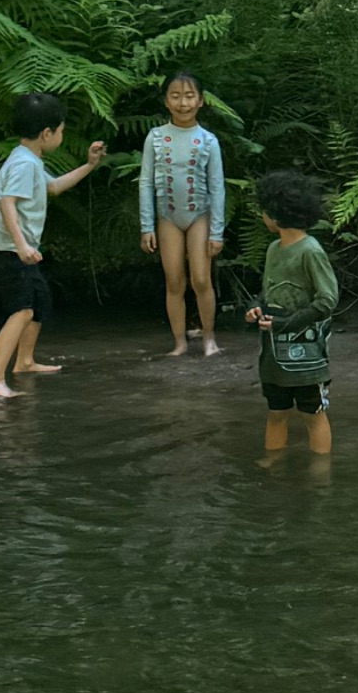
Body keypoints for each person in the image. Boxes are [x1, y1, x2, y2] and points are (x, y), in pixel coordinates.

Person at [0, 92, 106, 400]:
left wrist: (89, 165)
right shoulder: (24, 164)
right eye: (60, 131)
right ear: (47, 133)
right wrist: (21, 246)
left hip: (12, 246)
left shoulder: (28, 160)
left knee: (39, 300)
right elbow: (7, 203)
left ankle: (25, 361)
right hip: (5, 247)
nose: (61, 136)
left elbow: (53, 187)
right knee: (21, 309)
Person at [246, 168, 339, 458]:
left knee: (313, 414)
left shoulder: (310, 251)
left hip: (306, 350)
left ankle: (321, 473)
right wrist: (255, 307)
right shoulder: (274, 248)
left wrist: (287, 323)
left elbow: (328, 299)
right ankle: (273, 462)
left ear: (276, 214)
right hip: (273, 350)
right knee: (276, 411)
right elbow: (268, 290)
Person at [138, 70, 227, 357]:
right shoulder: (156, 137)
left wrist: (216, 231)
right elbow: (146, 181)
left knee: (201, 279)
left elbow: (217, 187)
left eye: (189, 96)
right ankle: (179, 342)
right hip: (168, 217)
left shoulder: (208, 140)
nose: (183, 103)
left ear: (201, 101)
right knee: (174, 280)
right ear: (166, 101)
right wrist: (146, 226)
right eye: (176, 96)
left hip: (199, 215)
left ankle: (209, 337)